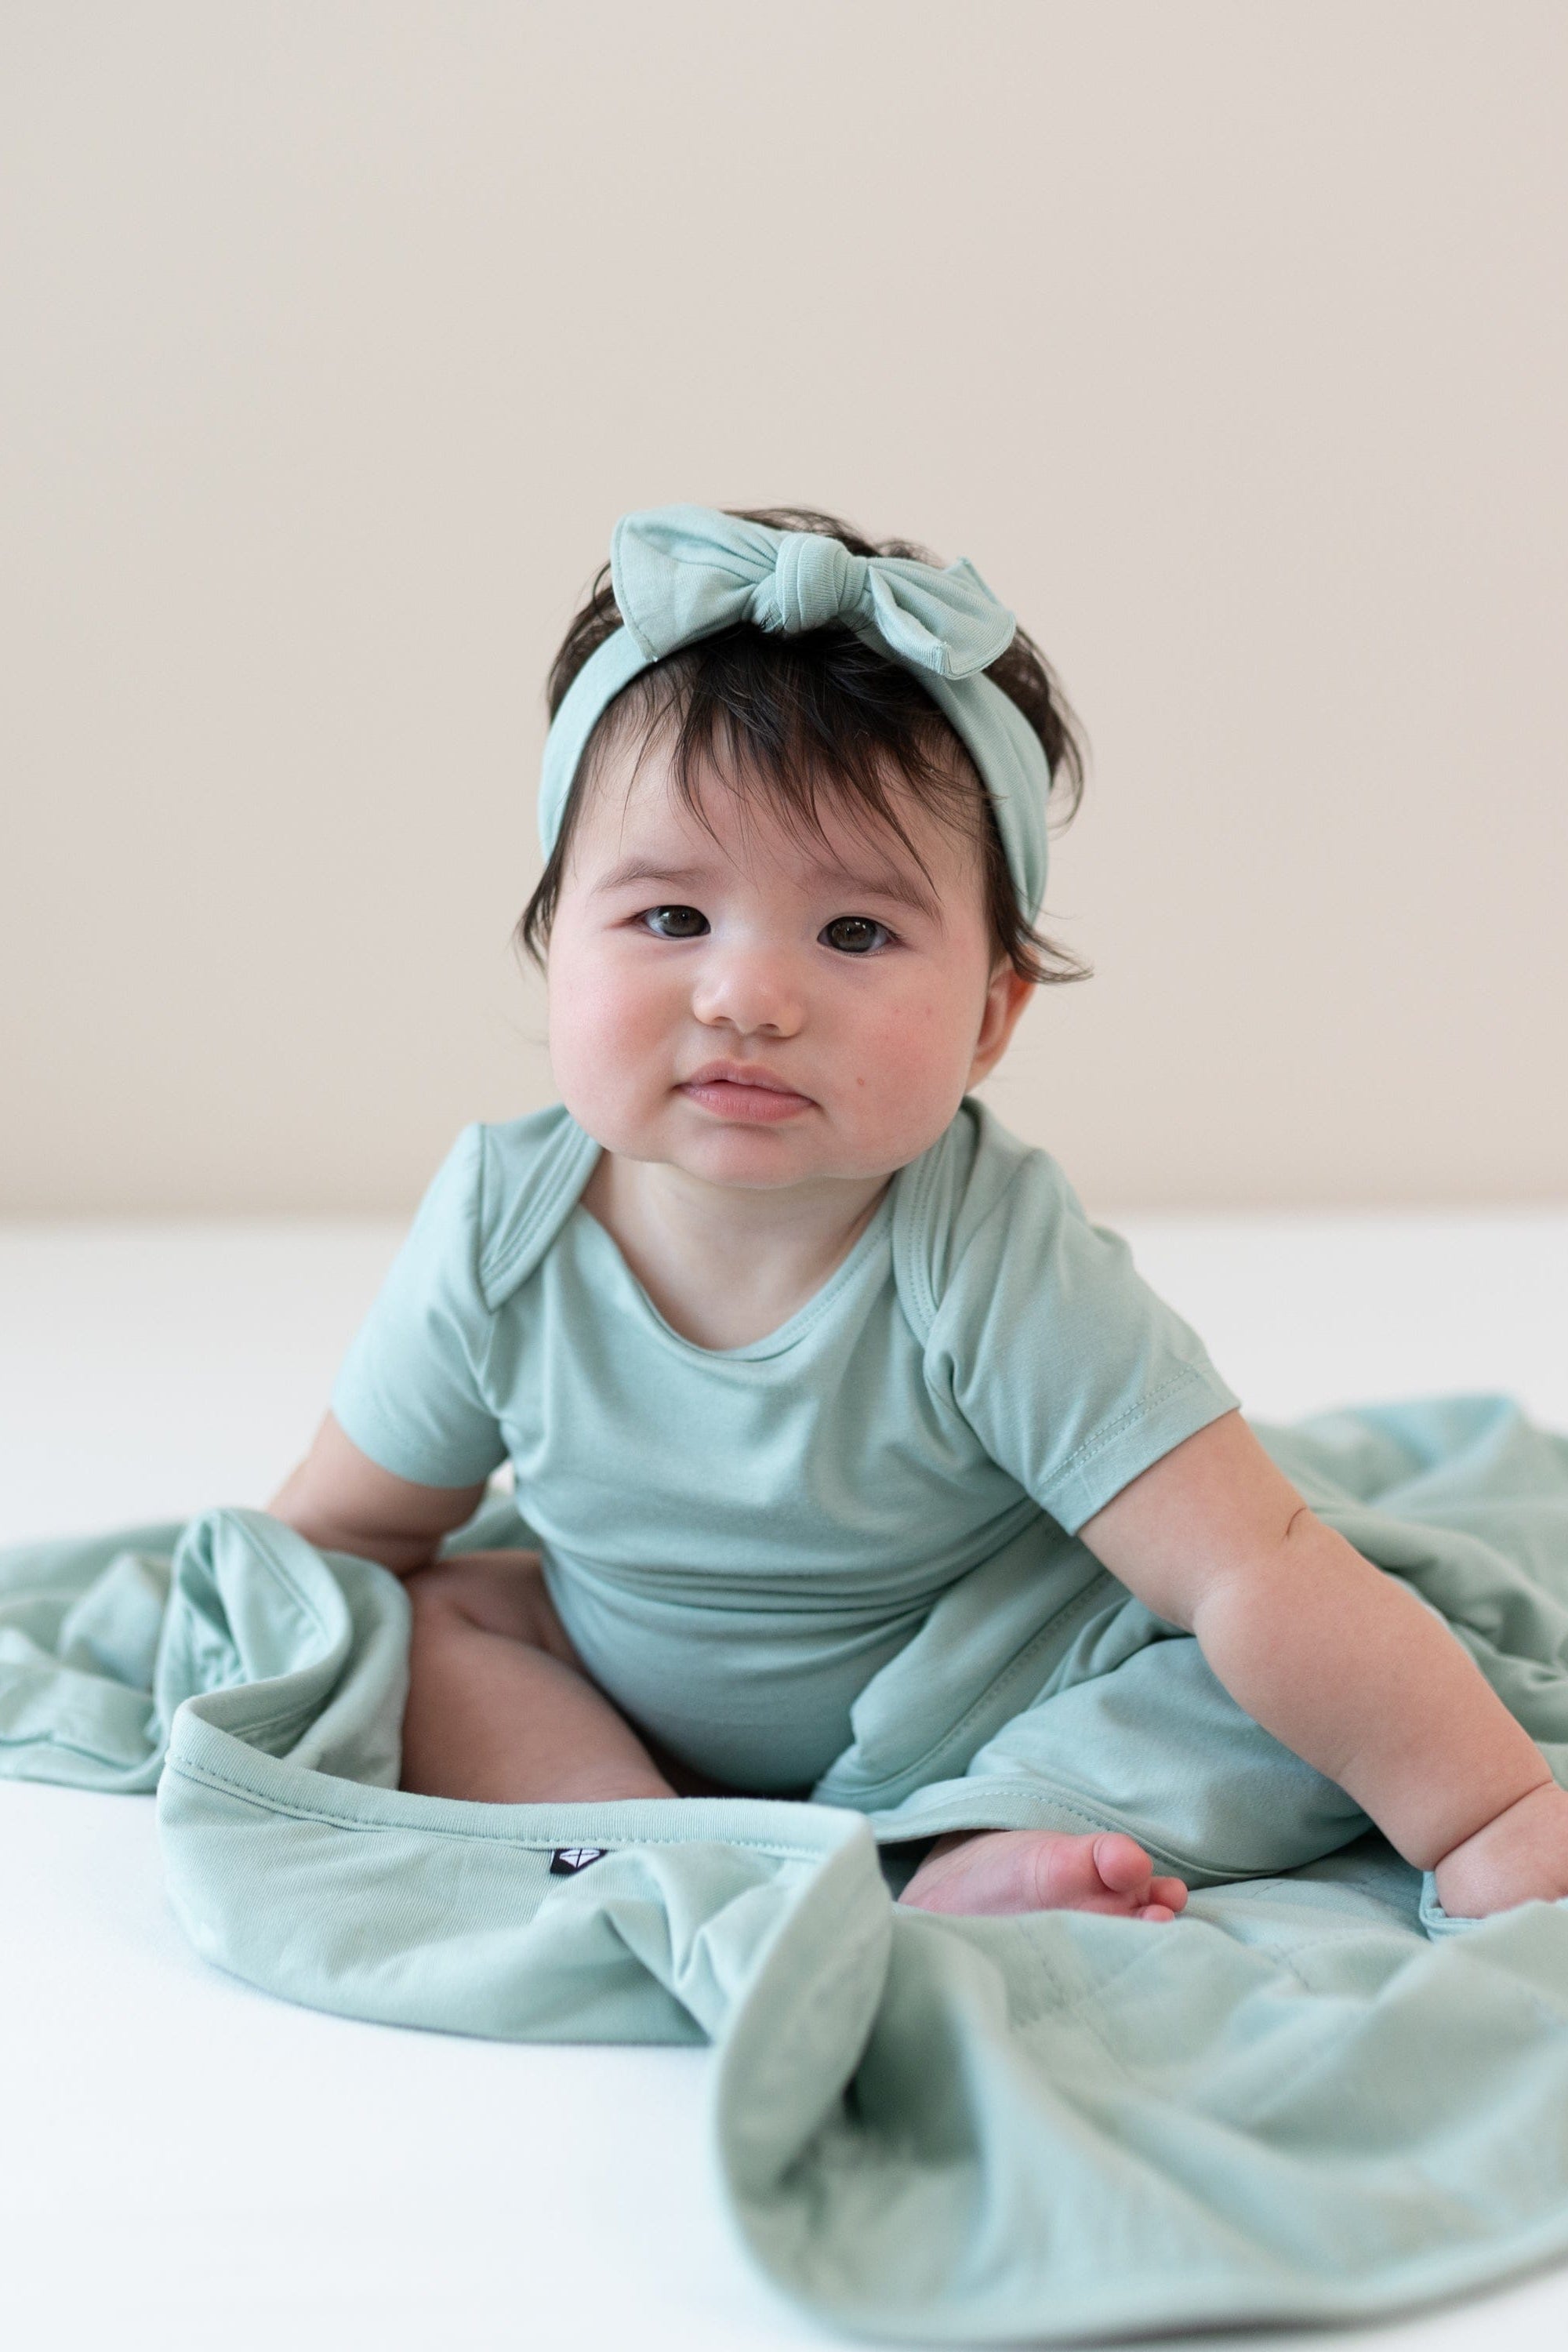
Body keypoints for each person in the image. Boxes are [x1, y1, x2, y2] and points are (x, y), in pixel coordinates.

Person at [267, 503, 1568, 1924]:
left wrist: (1490, 1813)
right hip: (621, 1686)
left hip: (979, 1693)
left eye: (856, 934)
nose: (747, 998)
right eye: (670, 920)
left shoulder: (988, 1256)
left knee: (1240, 1666)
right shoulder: (500, 1233)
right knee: (439, 1622)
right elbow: (348, 1533)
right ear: (553, 938)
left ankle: (979, 1850)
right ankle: (642, 1847)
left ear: (992, 1020)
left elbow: (1252, 1567)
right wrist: (276, 1652)